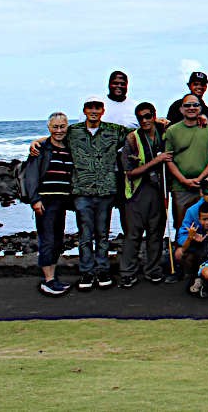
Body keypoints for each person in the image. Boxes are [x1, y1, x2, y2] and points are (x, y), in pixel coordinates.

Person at [64, 95, 129, 291]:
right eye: (90, 107)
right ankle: (86, 271)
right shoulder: (73, 132)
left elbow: (139, 133)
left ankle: (102, 269)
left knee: (102, 233)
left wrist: (160, 121)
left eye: (97, 107)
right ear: (84, 110)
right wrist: (37, 142)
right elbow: (55, 137)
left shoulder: (113, 131)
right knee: (85, 234)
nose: (93, 111)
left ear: (103, 110)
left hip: (105, 191)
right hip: (82, 191)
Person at [22, 113, 74, 296]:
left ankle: (53, 277)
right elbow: (31, 175)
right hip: (45, 201)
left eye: (62, 126)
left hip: (62, 201)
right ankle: (48, 281)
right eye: (55, 127)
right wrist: (34, 199)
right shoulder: (41, 149)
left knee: (58, 240)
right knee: (47, 239)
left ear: (67, 127)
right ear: (49, 128)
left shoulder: (69, 146)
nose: (59, 130)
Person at [119, 101, 170, 288]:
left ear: (154, 115)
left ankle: (153, 269)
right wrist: (156, 161)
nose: (145, 120)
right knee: (133, 233)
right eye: (140, 117)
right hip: (137, 191)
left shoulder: (165, 131)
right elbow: (129, 172)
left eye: (148, 116)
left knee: (156, 232)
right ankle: (127, 272)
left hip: (159, 189)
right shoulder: (132, 138)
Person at [164, 93, 208, 238]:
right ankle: (182, 257)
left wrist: (201, 179)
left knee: (207, 224)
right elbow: (168, 159)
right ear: (181, 109)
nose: (191, 108)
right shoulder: (172, 130)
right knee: (182, 225)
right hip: (180, 187)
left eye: (195, 105)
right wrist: (183, 180)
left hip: (205, 187)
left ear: (201, 108)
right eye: (187, 105)